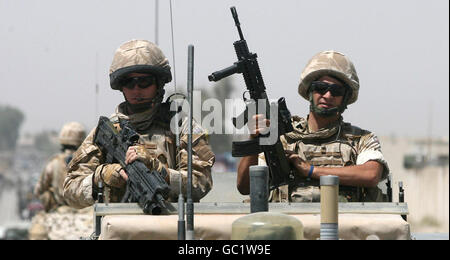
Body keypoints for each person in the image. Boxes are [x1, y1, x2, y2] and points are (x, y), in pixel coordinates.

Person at [63, 39, 214, 209]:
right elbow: (70, 191)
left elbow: (201, 183)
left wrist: (160, 171)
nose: (136, 90)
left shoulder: (182, 127)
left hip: (171, 225)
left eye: (144, 82)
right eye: (129, 83)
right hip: (119, 228)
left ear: (158, 84)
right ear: (121, 86)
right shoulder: (107, 131)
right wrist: (102, 175)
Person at [237, 50, 390, 202]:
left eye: (336, 91)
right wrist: (255, 140)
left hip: (344, 224)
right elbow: (245, 187)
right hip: (287, 224)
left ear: (346, 98)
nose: (328, 95)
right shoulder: (283, 138)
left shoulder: (361, 140)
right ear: (309, 91)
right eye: (320, 88)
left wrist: (309, 170)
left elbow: (371, 175)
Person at [29, 121, 87, 240]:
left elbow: (38, 190)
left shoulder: (54, 163)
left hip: (59, 213)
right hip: (86, 212)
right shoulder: (87, 162)